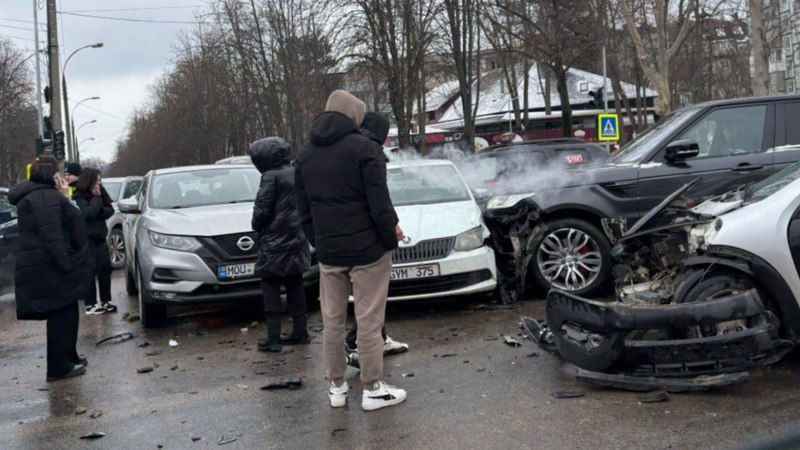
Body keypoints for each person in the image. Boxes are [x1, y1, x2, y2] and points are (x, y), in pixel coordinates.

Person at [296, 90, 406, 411]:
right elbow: (380, 205)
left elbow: (302, 212)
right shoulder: (366, 149)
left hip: (330, 254)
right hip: (368, 252)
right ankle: (372, 388)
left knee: (331, 321)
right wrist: (390, 239)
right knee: (369, 321)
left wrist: (320, 242)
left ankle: (337, 388)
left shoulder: (303, 156)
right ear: (354, 116)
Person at [8, 156, 88, 381]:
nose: (62, 177)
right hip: (50, 267)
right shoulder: (45, 197)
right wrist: (66, 264)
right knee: (61, 315)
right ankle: (59, 367)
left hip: (45, 265)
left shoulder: (40, 195)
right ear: (51, 176)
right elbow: (53, 234)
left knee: (68, 311)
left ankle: (69, 357)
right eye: (58, 173)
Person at [344, 111, 409, 368]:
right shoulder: (371, 153)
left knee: (369, 297)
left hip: (346, 235)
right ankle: (358, 344)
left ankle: (378, 338)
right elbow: (379, 199)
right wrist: (392, 230)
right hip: (368, 238)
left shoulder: (348, 148)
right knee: (371, 297)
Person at [249, 136, 311, 353]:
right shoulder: (296, 172)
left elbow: (261, 211)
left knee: (270, 287)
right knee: (296, 284)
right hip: (296, 237)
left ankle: (273, 338)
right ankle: (300, 332)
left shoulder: (269, 177)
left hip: (274, 242)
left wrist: (256, 224)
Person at [73, 168, 117, 314]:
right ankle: (90, 304)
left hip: (100, 236)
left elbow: (110, 210)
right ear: (89, 180)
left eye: (100, 180)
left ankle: (106, 301)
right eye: (96, 180)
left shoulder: (101, 191)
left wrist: (99, 209)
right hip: (87, 238)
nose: (99, 183)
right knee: (89, 270)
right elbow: (88, 213)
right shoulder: (79, 195)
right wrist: (97, 200)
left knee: (105, 269)